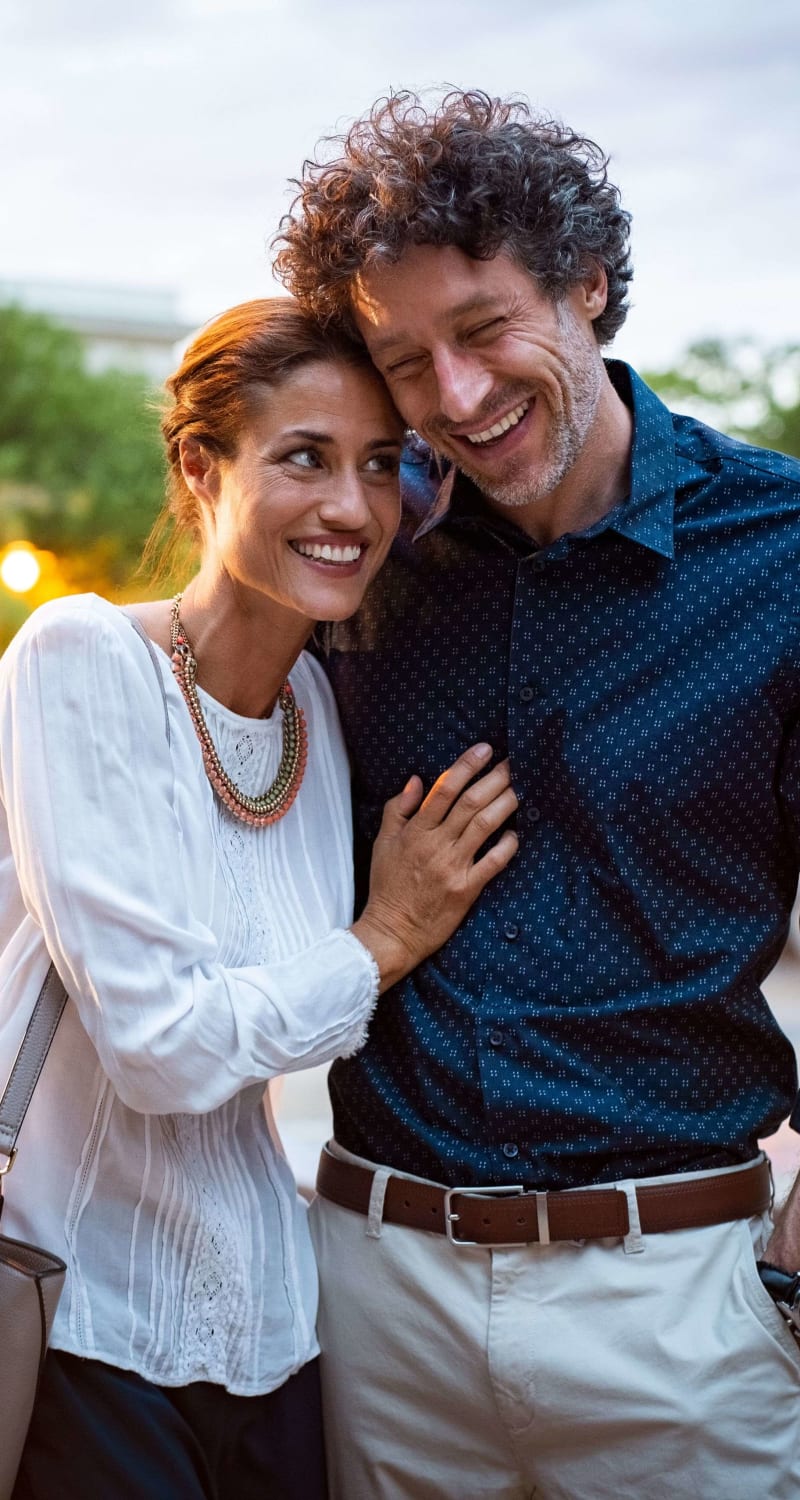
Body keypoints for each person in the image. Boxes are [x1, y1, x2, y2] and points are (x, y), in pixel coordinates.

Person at [275, 91, 800, 1498]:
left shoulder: (786, 559)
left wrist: (791, 1289)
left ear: (586, 284)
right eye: (404, 360)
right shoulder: (362, 573)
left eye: (484, 327)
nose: (454, 398)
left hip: (685, 1312)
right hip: (380, 1302)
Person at [0, 296, 519, 1500]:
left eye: (380, 466)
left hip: (283, 1336)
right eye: (303, 458)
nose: (350, 507)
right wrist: (383, 937)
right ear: (198, 466)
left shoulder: (320, 716)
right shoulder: (81, 661)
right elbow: (163, 1054)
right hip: (87, 1319)